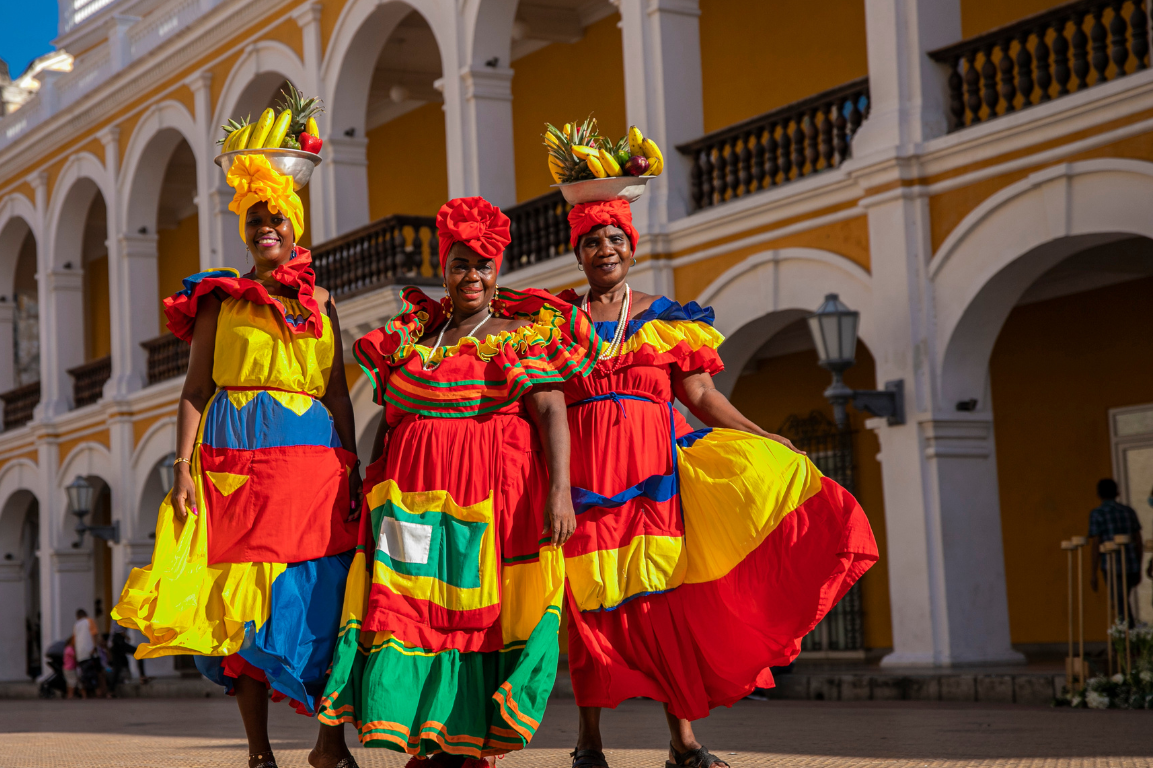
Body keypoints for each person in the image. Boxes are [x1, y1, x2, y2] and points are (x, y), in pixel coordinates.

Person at [556, 198, 879, 768]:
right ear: (577, 252)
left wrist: (765, 437)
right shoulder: (555, 319)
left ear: (632, 247)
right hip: (584, 483)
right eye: (591, 241)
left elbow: (701, 396)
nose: (604, 249)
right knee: (588, 608)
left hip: (654, 480)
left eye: (615, 239)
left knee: (666, 606)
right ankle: (589, 743)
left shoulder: (662, 316)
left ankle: (683, 744)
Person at [318, 197, 595, 762]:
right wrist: (371, 492)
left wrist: (561, 492)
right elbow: (390, 425)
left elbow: (549, 412)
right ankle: (425, 741)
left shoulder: (521, 333)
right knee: (410, 611)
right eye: (462, 264)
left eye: (484, 265)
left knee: (479, 620)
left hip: (494, 505)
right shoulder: (413, 341)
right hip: (410, 505)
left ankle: (463, 742)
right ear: (444, 268)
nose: (473, 275)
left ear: (499, 272)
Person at [113, 153, 361, 768]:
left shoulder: (323, 304)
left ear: (295, 224)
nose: (265, 228)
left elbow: (335, 393)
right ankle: (259, 752)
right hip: (236, 464)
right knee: (243, 607)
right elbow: (195, 390)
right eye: (254, 220)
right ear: (243, 230)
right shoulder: (218, 302)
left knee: (321, 594)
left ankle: (328, 744)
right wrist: (181, 470)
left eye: (276, 217)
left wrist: (352, 466)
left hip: (311, 466)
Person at [1088, 478, 1146, 625]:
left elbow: (1096, 544)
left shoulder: (1097, 514)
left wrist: (1093, 572)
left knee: (1120, 602)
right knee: (1121, 600)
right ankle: (1125, 637)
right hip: (1131, 564)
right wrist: (1139, 566)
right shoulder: (1128, 512)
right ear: (1117, 492)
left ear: (1098, 494)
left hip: (1111, 565)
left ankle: (1128, 637)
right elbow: (1138, 541)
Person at [71, 609, 105, 698]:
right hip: (91, 652)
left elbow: (74, 640)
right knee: (98, 672)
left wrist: (76, 652)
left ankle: (88, 693)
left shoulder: (76, 625)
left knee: (85, 673)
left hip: (81, 654)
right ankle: (100, 691)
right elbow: (94, 634)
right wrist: (94, 646)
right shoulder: (89, 621)